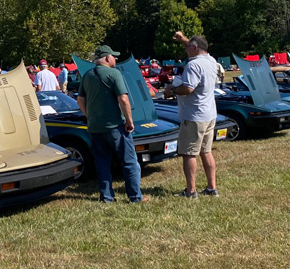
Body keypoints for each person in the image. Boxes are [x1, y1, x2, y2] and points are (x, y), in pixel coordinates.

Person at [77, 44, 146, 203]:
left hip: (95, 127)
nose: (115, 59)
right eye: (113, 56)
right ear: (107, 58)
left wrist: (90, 116)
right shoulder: (114, 74)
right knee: (129, 163)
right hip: (115, 126)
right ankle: (135, 197)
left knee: (102, 163)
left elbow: (80, 100)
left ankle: (106, 197)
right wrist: (129, 121)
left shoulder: (87, 75)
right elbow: (123, 99)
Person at [163, 31, 219, 198]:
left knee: (189, 153)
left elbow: (188, 88)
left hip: (194, 116)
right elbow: (196, 45)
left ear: (194, 48)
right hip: (209, 114)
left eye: (187, 48)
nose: (185, 50)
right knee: (206, 151)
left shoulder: (193, 65)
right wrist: (183, 40)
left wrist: (171, 90)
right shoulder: (211, 60)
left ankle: (191, 191)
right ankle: (211, 188)